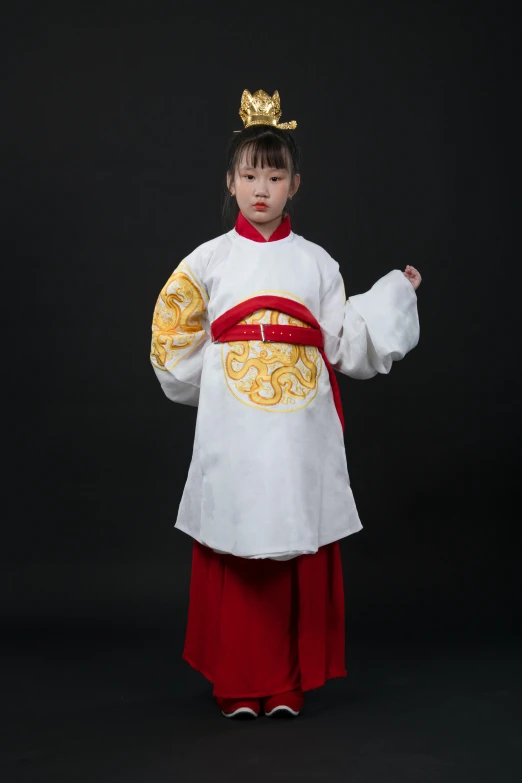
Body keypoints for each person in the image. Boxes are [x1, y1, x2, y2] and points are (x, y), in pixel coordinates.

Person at [150, 88, 422, 719]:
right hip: (236, 422)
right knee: (236, 538)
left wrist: (393, 296)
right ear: (230, 181)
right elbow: (174, 335)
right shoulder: (208, 261)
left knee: (294, 538)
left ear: (296, 183)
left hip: (301, 423)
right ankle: (239, 682)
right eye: (250, 175)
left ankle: (286, 681)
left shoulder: (317, 263)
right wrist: (216, 385)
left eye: (275, 175)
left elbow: (347, 341)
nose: (262, 188)